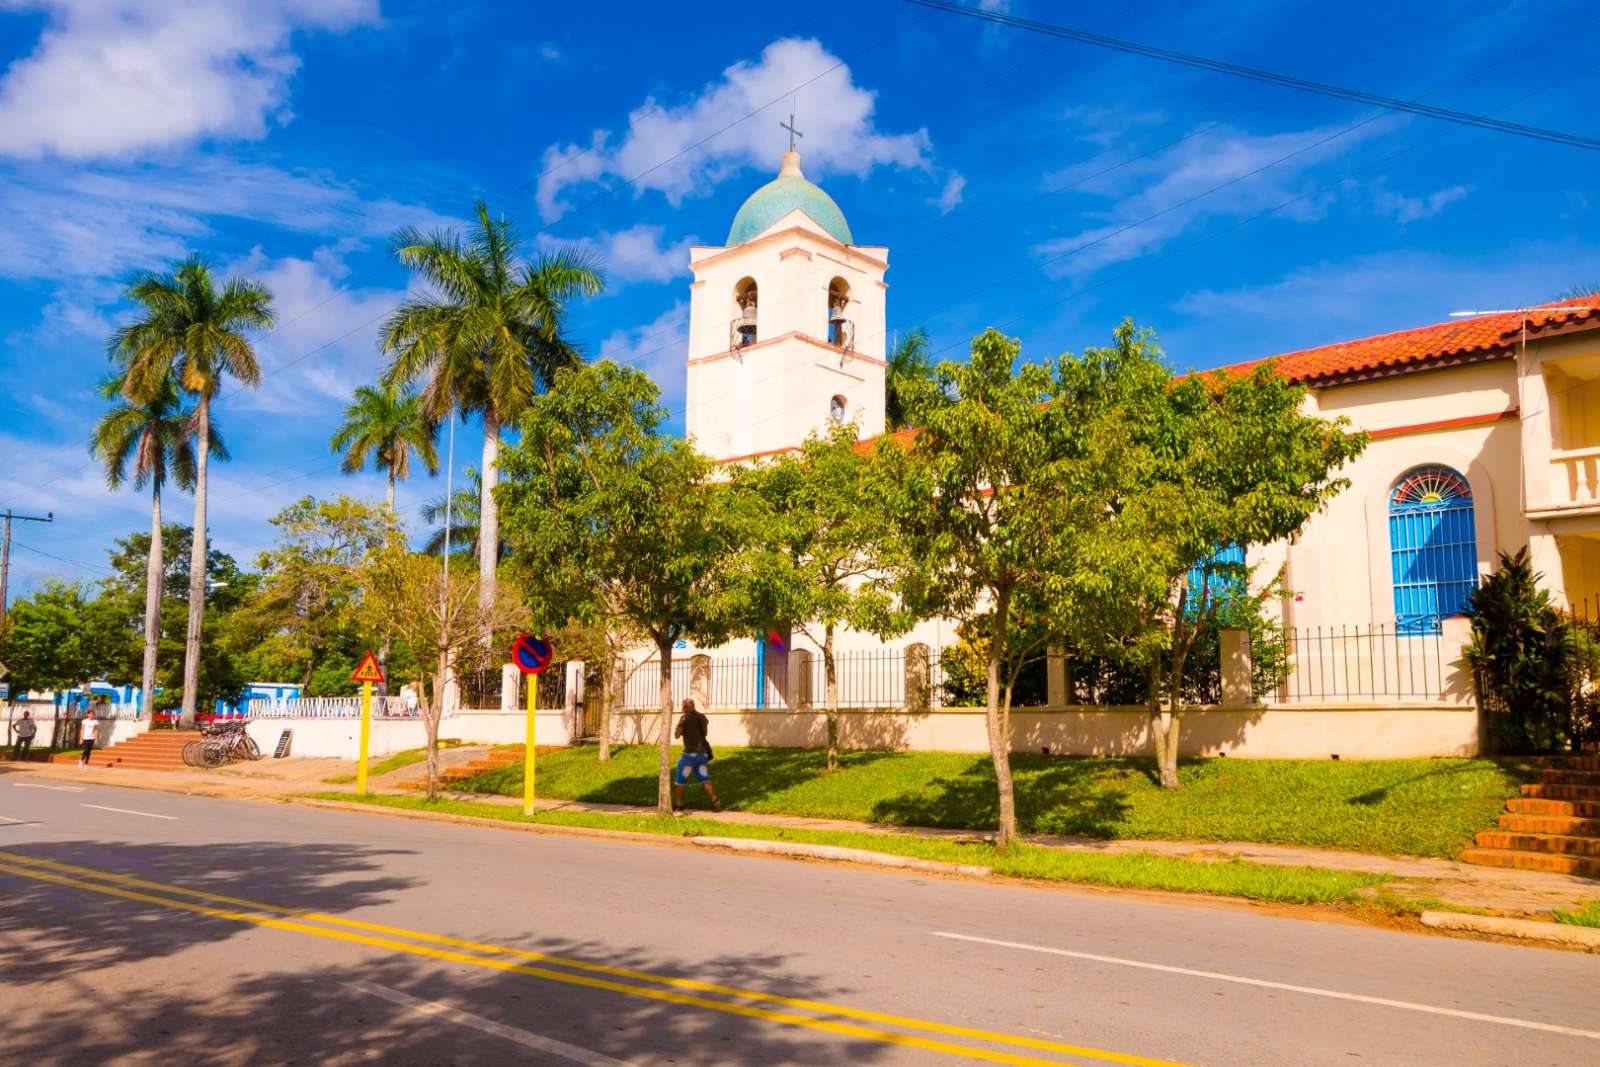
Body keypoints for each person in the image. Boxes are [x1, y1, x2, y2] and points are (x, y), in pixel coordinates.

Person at [672, 698, 719, 814]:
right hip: (702, 755)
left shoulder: (684, 718)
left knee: (679, 781)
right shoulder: (702, 717)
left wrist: (679, 726)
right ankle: (715, 800)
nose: (682, 709)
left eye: (683, 707)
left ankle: (679, 806)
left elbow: (677, 735)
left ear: (686, 707)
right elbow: (705, 733)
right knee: (705, 779)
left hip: (689, 756)